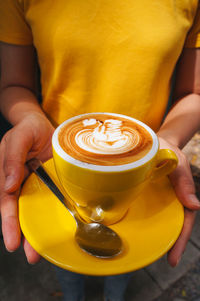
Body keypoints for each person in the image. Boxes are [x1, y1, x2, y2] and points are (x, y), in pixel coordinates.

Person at [0, 1, 200, 300]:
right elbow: (14, 84)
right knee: (64, 260)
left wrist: (167, 141)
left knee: (126, 262)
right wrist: (31, 119)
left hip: (141, 176)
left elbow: (194, 92)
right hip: (56, 164)